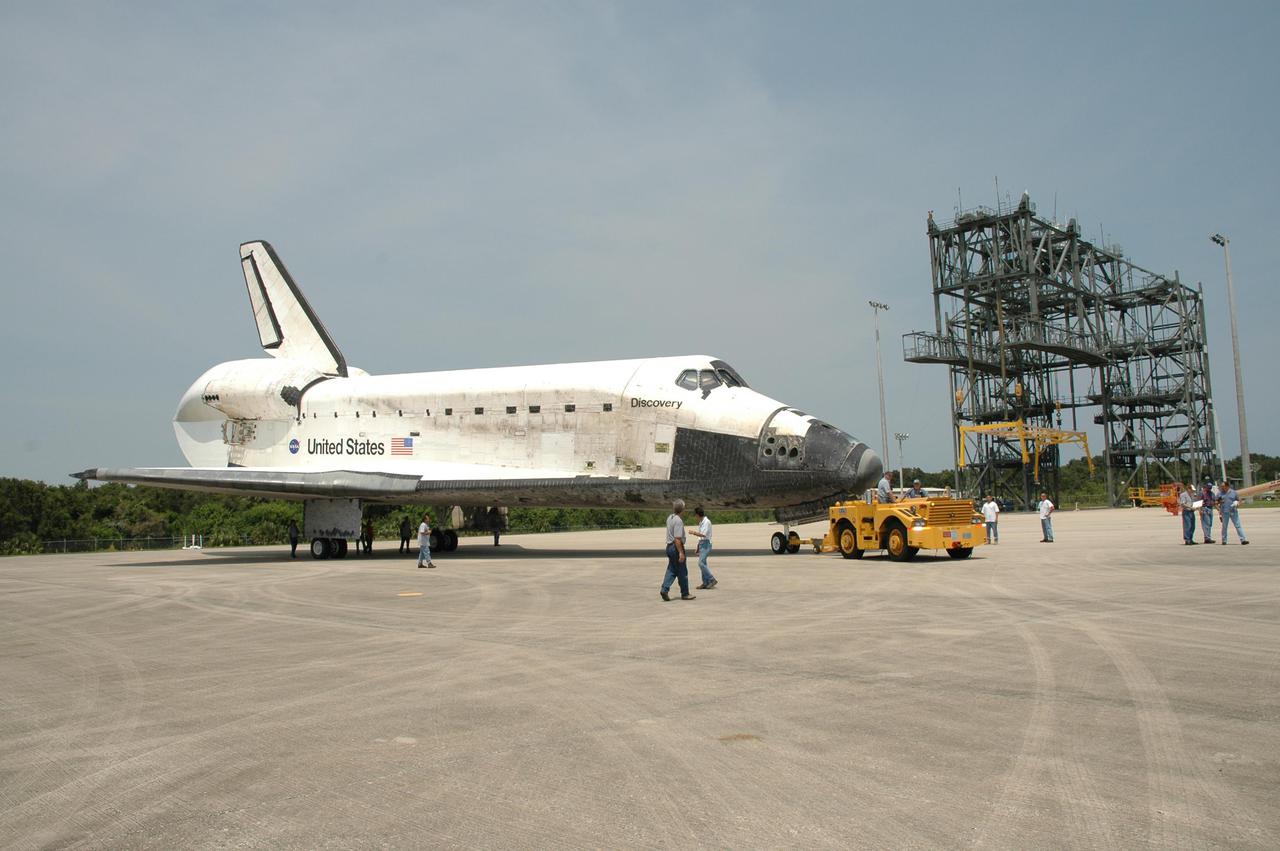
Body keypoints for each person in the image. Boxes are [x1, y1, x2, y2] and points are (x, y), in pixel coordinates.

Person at [659, 499, 694, 601]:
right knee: (682, 571)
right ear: (682, 509)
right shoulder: (678, 520)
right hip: (675, 548)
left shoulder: (670, 517)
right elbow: (677, 539)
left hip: (669, 547)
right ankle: (685, 593)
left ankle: (664, 589)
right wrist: (681, 553)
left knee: (672, 569)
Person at [690, 506, 717, 589]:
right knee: (703, 563)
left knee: (701, 563)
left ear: (698, 515)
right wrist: (698, 546)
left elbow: (703, 534)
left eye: (695, 515)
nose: (695, 517)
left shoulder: (706, 522)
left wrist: (693, 532)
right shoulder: (701, 522)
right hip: (702, 544)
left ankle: (712, 579)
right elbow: (701, 537)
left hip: (706, 544)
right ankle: (705, 582)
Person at [1219, 480, 1249, 545]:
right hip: (1224, 512)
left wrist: (1237, 504)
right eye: (1221, 486)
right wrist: (1219, 509)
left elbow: (1239, 501)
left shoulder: (1234, 492)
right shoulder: (1220, 493)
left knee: (1238, 525)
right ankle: (1224, 540)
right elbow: (1215, 502)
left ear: (1227, 486)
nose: (1222, 487)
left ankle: (1243, 540)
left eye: (1223, 486)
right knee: (1224, 527)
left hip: (1233, 511)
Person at [1199, 479, 1217, 545]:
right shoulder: (1202, 493)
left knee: (1210, 524)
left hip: (1210, 509)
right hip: (1205, 509)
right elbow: (1199, 502)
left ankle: (1208, 537)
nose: (1209, 489)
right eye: (1208, 487)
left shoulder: (1212, 494)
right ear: (1206, 487)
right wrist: (1200, 510)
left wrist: (1219, 510)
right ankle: (1207, 538)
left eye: (1210, 487)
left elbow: (1214, 502)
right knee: (1206, 524)